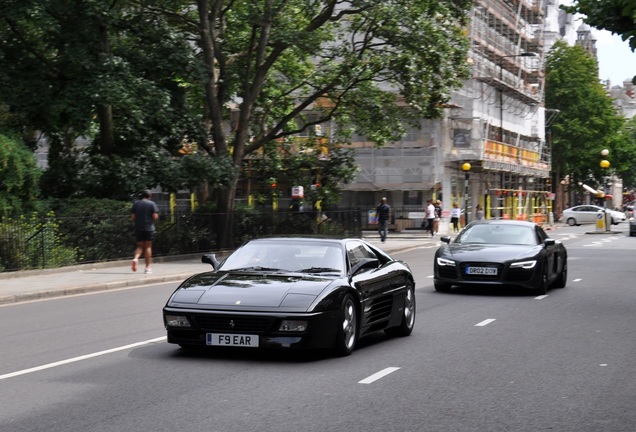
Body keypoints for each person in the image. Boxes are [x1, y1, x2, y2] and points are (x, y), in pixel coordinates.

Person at [131, 190, 160, 274]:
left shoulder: (136, 203)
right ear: (149, 196)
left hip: (138, 228)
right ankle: (147, 268)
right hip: (149, 228)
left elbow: (133, 217)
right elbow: (155, 217)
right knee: (148, 247)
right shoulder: (152, 204)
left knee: (140, 246)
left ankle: (136, 259)